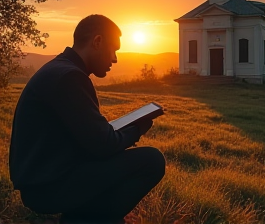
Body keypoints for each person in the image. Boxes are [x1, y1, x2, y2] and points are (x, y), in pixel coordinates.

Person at [9, 14, 166, 224]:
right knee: (152, 160)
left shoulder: (60, 69)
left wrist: (110, 134)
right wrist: (138, 128)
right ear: (97, 42)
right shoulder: (69, 77)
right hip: (48, 186)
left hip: (45, 178)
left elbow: (91, 138)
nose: (115, 58)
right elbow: (104, 146)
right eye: (114, 49)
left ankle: (86, 218)